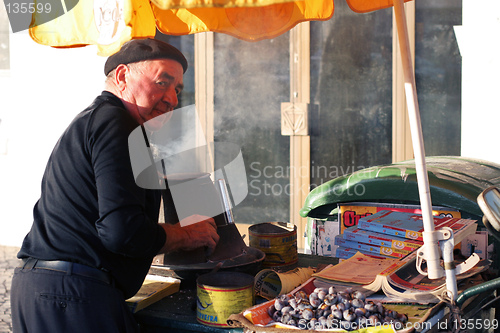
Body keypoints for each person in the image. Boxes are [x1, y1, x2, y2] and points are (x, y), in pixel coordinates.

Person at [10, 38, 220, 333]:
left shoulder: (100, 121)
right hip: (72, 295)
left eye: (177, 89)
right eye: (163, 82)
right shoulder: (117, 124)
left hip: (43, 290)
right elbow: (122, 232)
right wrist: (183, 236)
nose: (172, 98)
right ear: (122, 77)